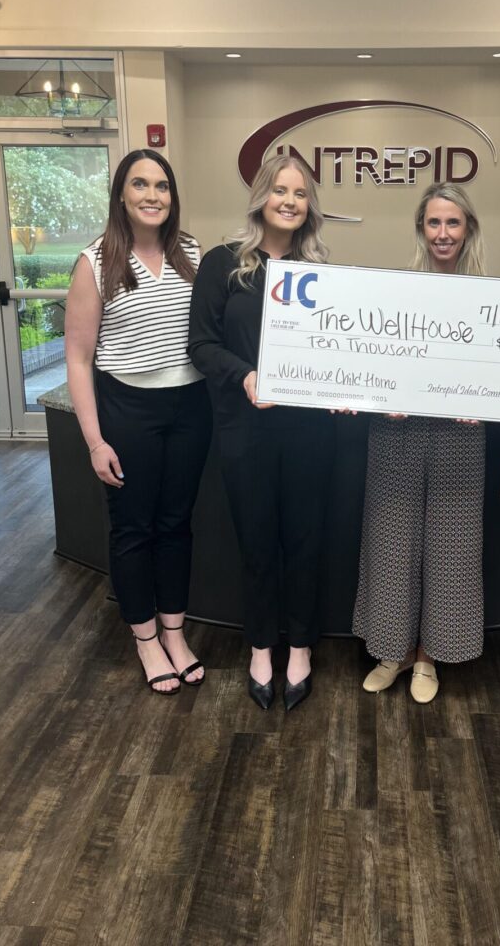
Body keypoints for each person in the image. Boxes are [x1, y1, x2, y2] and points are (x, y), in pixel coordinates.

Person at [188, 154, 333, 711]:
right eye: (280, 190)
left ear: (310, 205)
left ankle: (299, 647)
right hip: (245, 428)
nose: (290, 201)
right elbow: (200, 345)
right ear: (260, 197)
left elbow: (342, 350)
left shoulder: (322, 273)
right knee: (256, 544)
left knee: (304, 541)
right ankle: (259, 646)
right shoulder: (223, 263)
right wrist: (245, 375)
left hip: (310, 432)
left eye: (300, 192)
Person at [65, 149, 211, 695]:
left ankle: (175, 632)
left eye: (162, 186)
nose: (153, 195)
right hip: (127, 409)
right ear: (121, 195)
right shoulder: (95, 261)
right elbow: (78, 358)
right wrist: (95, 441)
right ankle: (145, 639)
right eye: (140, 185)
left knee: (176, 524)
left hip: (191, 406)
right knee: (133, 529)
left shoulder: (191, 252)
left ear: (172, 197)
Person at [353, 183, 487, 704]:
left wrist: (491, 401)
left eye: (453, 223)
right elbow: (368, 361)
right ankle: (394, 650)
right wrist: (373, 392)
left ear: (468, 228)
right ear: (421, 229)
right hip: (397, 428)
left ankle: (430, 655)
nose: (443, 233)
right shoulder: (395, 292)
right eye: (434, 223)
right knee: (391, 539)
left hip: (461, 433)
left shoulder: (491, 297)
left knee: (451, 543)